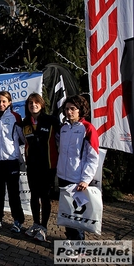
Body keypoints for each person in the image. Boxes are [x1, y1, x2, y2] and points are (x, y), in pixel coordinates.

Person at [57, 95, 99, 240]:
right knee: (67, 213)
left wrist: (85, 179)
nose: (69, 112)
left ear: (80, 110)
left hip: (77, 180)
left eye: (72, 109)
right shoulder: (63, 128)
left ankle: (79, 247)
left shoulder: (88, 128)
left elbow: (93, 157)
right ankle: (70, 240)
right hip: (63, 176)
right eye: (67, 109)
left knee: (77, 215)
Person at [21, 93, 59, 241]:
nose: (33, 105)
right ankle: (36, 224)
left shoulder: (51, 121)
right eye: (30, 103)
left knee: (45, 197)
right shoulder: (25, 123)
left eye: (36, 103)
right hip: (32, 166)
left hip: (48, 166)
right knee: (34, 196)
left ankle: (43, 227)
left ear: (41, 105)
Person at [0, 91, 25, 232]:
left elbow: (22, 138)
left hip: (11, 160)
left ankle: (18, 220)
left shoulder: (15, 117)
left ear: (9, 102)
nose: (1, 104)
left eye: (4, 101)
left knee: (13, 193)